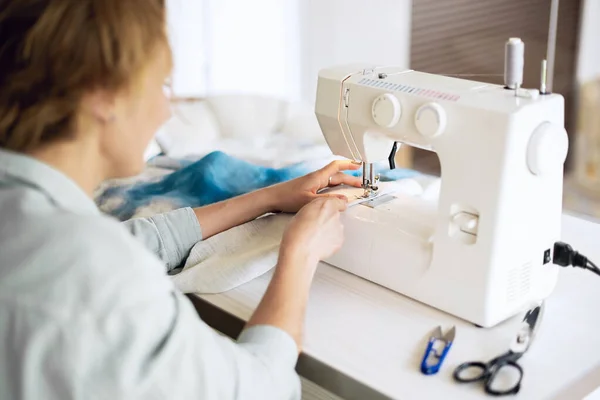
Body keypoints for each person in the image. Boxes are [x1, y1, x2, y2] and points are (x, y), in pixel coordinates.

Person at [0, 1, 363, 399]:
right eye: (160, 85)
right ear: (100, 94)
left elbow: (132, 240)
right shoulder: (96, 273)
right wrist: (300, 253)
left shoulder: (25, 215)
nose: (164, 111)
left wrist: (268, 198)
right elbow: (260, 388)